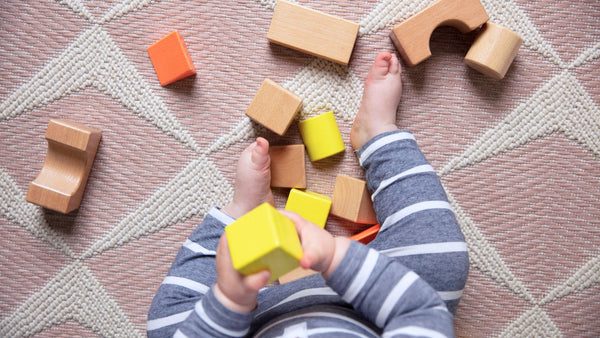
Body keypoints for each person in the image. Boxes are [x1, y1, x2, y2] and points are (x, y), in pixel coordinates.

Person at [147, 52, 469, 337]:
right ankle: (378, 133)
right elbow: (423, 315)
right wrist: (336, 258)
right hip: (374, 308)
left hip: (253, 319)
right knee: (441, 259)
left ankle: (244, 214)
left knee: (167, 325)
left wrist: (230, 300)